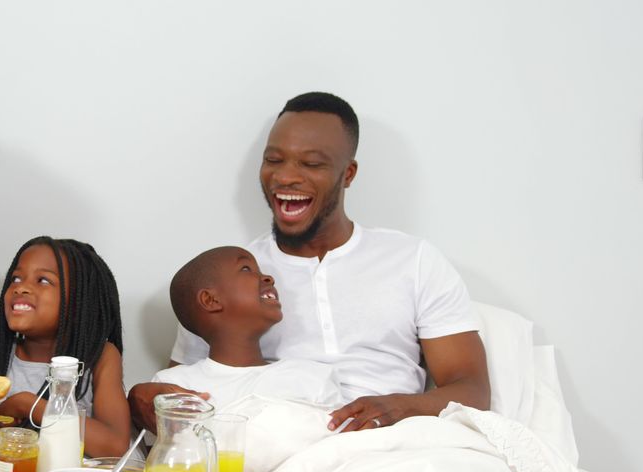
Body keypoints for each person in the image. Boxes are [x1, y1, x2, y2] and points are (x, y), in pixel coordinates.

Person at [129, 92, 490, 434]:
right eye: (273, 160)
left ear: (348, 174)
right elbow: (182, 389)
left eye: (312, 163)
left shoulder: (413, 260)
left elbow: (472, 390)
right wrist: (138, 398)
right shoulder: (229, 278)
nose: (285, 177)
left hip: (395, 443)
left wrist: (399, 408)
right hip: (282, 446)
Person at [0, 237, 131, 457]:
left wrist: (28, 405)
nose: (21, 288)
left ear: (79, 299)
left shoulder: (100, 357)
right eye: (16, 278)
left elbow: (113, 446)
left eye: (43, 280)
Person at [149, 246, 343, 411]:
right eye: (246, 269)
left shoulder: (310, 377)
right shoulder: (176, 386)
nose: (268, 278)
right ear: (211, 300)